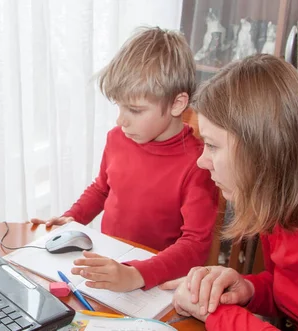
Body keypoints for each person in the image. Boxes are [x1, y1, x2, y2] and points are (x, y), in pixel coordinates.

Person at [31, 27, 219, 292]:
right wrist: (72, 219)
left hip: (157, 281)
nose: (121, 120)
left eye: (135, 110)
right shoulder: (117, 138)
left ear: (177, 104)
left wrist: (136, 274)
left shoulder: (199, 163)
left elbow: (195, 246)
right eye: (119, 106)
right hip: (112, 263)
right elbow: (101, 188)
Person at [160, 54, 298, 330]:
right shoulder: (277, 200)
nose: (201, 162)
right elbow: (297, 296)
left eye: (213, 146)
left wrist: (216, 315)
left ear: (261, 154)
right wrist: (246, 289)